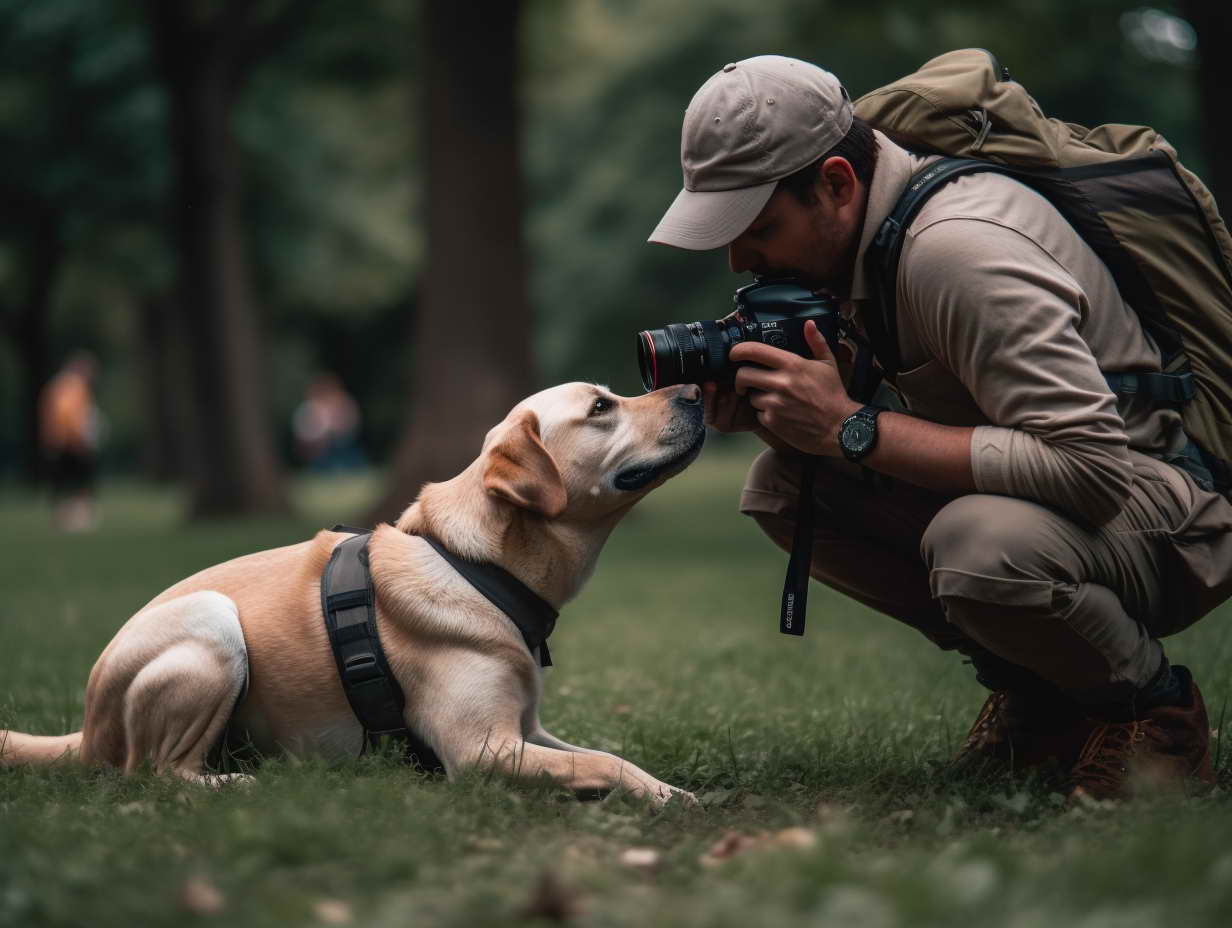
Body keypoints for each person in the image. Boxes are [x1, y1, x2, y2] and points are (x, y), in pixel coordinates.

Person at [648, 55, 1232, 799]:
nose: (738, 258)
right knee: (788, 486)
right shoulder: (867, 240)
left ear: (836, 184)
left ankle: (1157, 714)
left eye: (760, 227)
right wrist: (788, 418)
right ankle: (1047, 698)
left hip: (1174, 502)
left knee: (980, 549)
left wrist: (852, 427)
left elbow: (1092, 470)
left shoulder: (954, 252)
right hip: (1079, 502)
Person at [39, 352, 104, 532]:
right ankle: (75, 519)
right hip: (70, 442)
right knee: (77, 481)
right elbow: (71, 417)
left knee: (63, 482)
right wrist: (80, 439)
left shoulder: (55, 387)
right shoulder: (73, 388)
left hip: (59, 442)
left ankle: (65, 518)